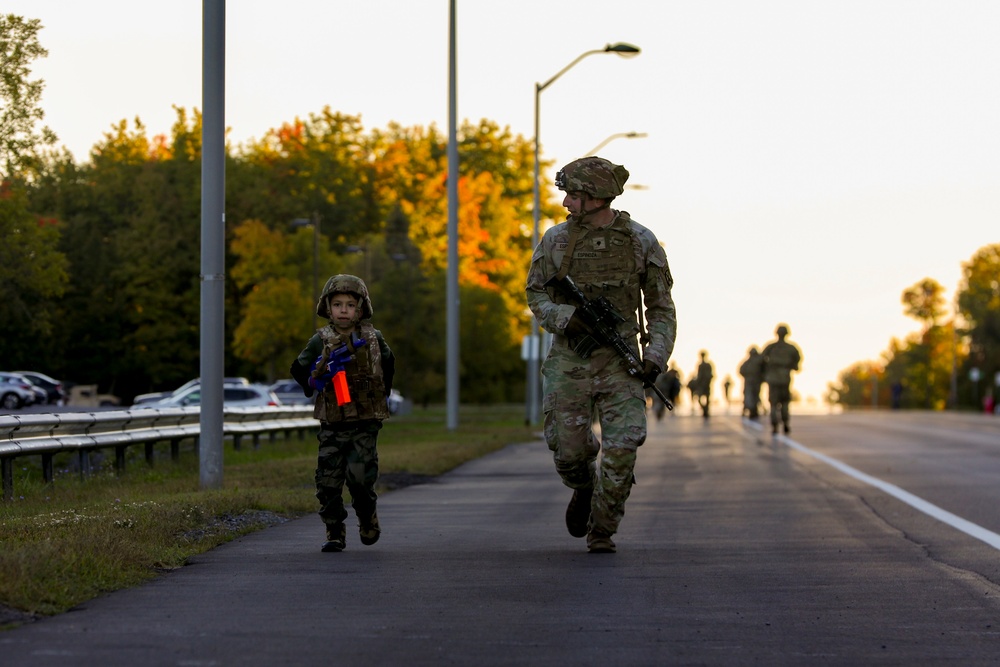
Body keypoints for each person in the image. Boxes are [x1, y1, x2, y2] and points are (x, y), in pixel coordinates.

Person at [526, 156, 677, 554]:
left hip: (621, 361)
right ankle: (582, 485)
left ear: (596, 197)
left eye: (574, 196)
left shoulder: (640, 242)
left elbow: (661, 307)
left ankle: (602, 529)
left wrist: (655, 356)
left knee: (624, 445)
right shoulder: (555, 241)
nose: (566, 204)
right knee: (568, 451)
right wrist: (565, 317)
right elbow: (535, 293)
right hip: (570, 362)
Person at [290, 274, 396, 553]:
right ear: (327, 307)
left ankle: (367, 516)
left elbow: (388, 363)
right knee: (328, 483)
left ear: (361, 308)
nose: (344, 310)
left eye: (350, 304)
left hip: (365, 423)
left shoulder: (373, 338)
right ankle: (334, 530)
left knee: (360, 479)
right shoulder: (320, 340)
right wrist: (313, 382)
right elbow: (298, 369)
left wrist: (383, 394)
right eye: (338, 304)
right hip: (332, 424)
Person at [761, 323, 802, 435]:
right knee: (784, 403)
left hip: (773, 378)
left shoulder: (771, 347)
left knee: (774, 404)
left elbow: (761, 360)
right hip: (784, 378)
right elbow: (797, 361)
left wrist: (765, 373)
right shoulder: (791, 348)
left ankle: (775, 426)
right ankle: (785, 423)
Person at [739, 346, 764, 420]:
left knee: (753, 396)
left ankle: (753, 410)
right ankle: (751, 410)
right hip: (751, 381)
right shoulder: (749, 362)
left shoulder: (756, 361)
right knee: (751, 396)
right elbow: (741, 370)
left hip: (754, 381)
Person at [694, 351, 714, 419]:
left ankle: (706, 410)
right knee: (699, 398)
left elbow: (711, 374)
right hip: (701, 384)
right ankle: (704, 409)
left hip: (707, 384)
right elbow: (699, 375)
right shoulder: (700, 365)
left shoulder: (708, 365)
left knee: (707, 398)